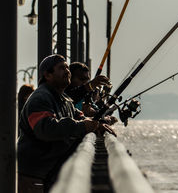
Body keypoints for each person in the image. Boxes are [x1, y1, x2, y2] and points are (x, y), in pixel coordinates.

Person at [17, 54, 116, 193]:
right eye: (61, 68)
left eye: (67, 67)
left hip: (48, 171)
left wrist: (97, 124)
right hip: (34, 174)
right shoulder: (40, 98)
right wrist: (83, 126)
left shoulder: (64, 99)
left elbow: (79, 117)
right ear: (47, 75)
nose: (67, 71)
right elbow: (46, 129)